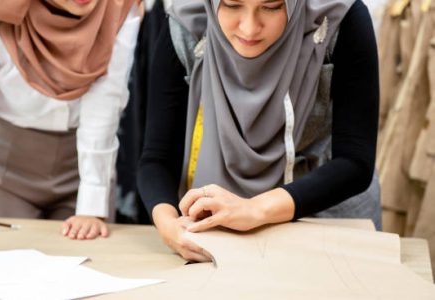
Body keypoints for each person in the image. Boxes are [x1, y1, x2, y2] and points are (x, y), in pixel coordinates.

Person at [138, 0, 380, 262]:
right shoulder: (187, 26)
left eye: (272, 7)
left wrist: (254, 209)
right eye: (232, 5)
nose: (250, 28)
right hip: (224, 231)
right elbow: (156, 158)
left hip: (329, 219)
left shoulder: (337, 20)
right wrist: (169, 225)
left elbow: (355, 161)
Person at [0, 0, 140, 240]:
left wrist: (91, 205)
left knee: (89, 264)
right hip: (1, 174)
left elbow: (105, 103)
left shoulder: (116, 5)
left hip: (85, 166)